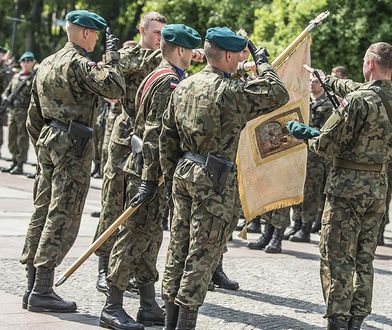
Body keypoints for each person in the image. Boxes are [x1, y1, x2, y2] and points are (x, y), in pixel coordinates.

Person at [159, 26, 289, 329]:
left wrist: (168, 177)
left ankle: (169, 319)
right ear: (229, 55)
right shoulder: (228, 92)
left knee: (178, 246)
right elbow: (277, 93)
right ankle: (185, 322)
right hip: (213, 178)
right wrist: (263, 62)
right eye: (239, 53)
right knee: (202, 252)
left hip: (183, 172)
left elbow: (166, 137)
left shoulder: (186, 85)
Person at [19, 9, 126, 313]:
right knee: (62, 214)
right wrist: (113, 57)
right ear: (84, 33)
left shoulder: (46, 63)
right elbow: (114, 88)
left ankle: (31, 286)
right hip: (72, 144)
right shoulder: (79, 63)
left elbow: (33, 116)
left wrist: (45, 142)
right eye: (94, 34)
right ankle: (42, 288)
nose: (95, 40)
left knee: (41, 211)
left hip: (47, 140)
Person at [99, 23, 202, 330]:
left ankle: (147, 304)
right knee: (133, 236)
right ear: (181, 50)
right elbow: (155, 135)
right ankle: (112, 305)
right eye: (189, 50)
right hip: (148, 171)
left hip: (150, 170)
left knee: (150, 238)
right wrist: (149, 179)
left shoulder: (160, 73)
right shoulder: (167, 81)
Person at [287, 42, 392, 330]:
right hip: (378, 189)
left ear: (370, 63)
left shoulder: (359, 101)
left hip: (347, 189)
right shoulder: (384, 96)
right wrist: (327, 78)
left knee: (336, 257)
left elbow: (326, 143)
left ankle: (337, 321)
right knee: (363, 257)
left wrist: (305, 133)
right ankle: (357, 319)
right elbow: (356, 88)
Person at [93, 12, 166, 294]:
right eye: (157, 32)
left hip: (149, 140)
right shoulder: (129, 53)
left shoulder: (165, 59)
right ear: (143, 30)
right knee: (113, 202)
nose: (161, 38)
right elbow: (124, 65)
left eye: (164, 34)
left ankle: (135, 271)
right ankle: (103, 267)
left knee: (141, 211)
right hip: (124, 137)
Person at [287, 74, 334, 242]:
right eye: (309, 81)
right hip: (299, 152)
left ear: (322, 84)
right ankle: (296, 223)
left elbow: (326, 131)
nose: (312, 84)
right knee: (297, 187)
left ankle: (306, 227)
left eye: (315, 81)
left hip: (316, 156)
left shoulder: (329, 105)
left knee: (311, 191)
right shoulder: (304, 102)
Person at [0, 51, 36, 174]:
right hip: (13, 113)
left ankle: (20, 163)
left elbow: (35, 96)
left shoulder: (33, 78)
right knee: (11, 138)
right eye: (24, 61)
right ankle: (14, 160)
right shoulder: (16, 77)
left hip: (24, 114)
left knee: (22, 139)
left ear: (32, 63)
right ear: (20, 63)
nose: (26, 63)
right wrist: (6, 98)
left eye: (29, 61)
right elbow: (7, 91)